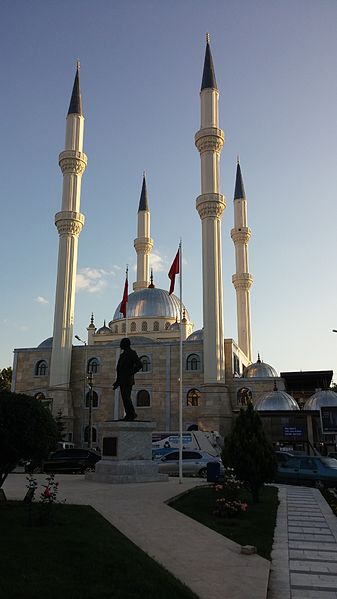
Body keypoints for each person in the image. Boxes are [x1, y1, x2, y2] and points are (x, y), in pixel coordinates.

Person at [113, 337, 143, 421]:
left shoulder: (132, 353)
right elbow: (119, 369)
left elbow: (139, 365)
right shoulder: (122, 355)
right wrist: (117, 381)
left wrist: (130, 372)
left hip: (128, 380)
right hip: (122, 380)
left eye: (122, 343)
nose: (120, 345)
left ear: (126, 344)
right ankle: (129, 414)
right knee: (124, 398)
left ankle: (131, 414)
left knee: (126, 397)